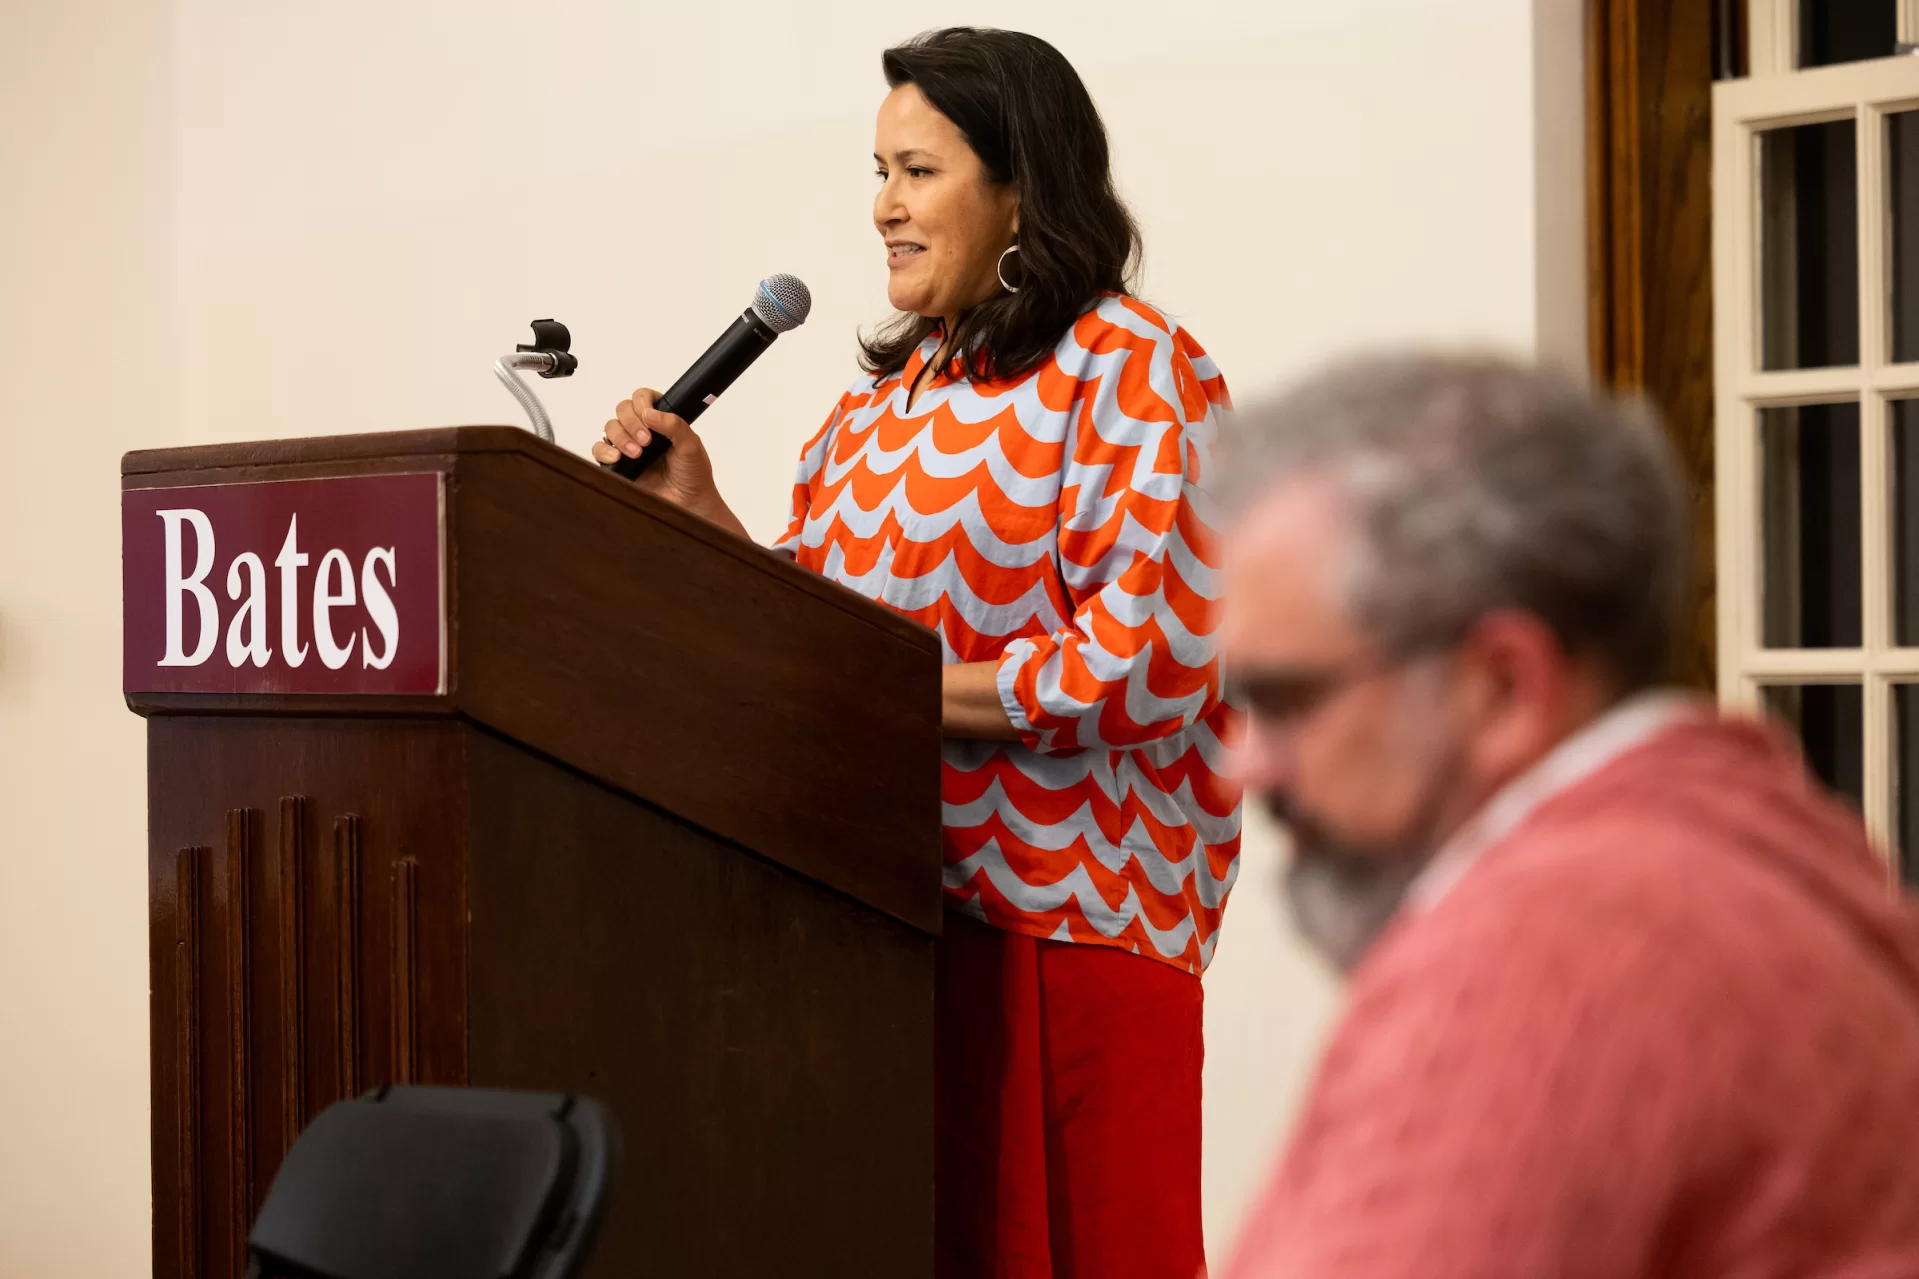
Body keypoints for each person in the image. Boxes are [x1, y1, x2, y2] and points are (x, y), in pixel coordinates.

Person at [592, 28, 1239, 1278]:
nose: (882, 205)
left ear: (1020, 190)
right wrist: (700, 515)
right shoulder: (886, 403)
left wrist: (873, 694)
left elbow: (1144, 660)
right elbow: (824, 631)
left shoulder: (1137, 371)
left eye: (918, 171)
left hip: (1067, 936)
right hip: (879, 919)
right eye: (878, 171)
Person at [1213, 352, 1919, 1277]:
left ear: (1502, 687)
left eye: (1288, 699)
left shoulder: (1558, 940)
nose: (1242, 766)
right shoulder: (1754, 838)